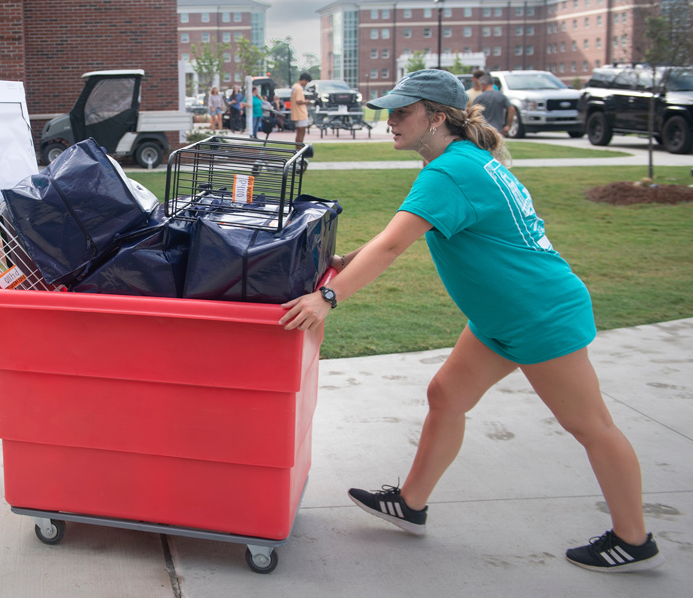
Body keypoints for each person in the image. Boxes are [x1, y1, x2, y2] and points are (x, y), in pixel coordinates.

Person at [278, 68, 664, 573]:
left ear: (436, 117)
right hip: (500, 316)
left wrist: (328, 295)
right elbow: (400, 234)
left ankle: (633, 538)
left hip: (538, 314)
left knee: (591, 426)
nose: (390, 122)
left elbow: (396, 244)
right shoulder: (457, 161)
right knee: (447, 397)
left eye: (402, 112)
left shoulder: (450, 171)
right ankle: (410, 503)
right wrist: (348, 259)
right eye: (390, 112)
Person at [290, 72, 312, 144]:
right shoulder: (299, 88)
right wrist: (306, 101)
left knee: (298, 133)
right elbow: (298, 101)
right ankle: (299, 150)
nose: (306, 83)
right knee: (302, 133)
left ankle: (297, 150)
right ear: (304, 80)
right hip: (301, 113)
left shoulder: (294, 86)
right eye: (307, 82)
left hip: (296, 113)